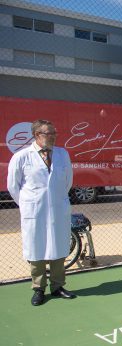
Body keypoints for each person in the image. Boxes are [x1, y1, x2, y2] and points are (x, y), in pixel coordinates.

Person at [7, 119, 76, 306]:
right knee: (36, 250)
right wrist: (30, 203)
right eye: (48, 133)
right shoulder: (22, 157)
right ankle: (38, 289)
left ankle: (57, 286)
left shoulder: (62, 154)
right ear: (37, 135)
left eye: (54, 133)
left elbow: (67, 181)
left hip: (57, 209)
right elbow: (13, 186)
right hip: (34, 211)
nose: (53, 137)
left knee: (58, 248)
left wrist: (57, 198)